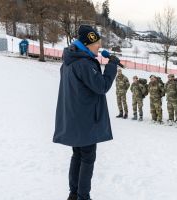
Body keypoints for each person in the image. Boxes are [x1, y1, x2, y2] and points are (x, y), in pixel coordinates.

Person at [53, 25, 119, 200]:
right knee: (87, 158)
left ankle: (74, 194)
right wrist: (112, 66)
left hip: (76, 117)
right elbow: (101, 86)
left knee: (78, 155)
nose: (99, 46)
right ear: (87, 43)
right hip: (85, 120)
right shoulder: (83, 63)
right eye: (97, 43)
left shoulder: (71, 60)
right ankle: (83, 196)